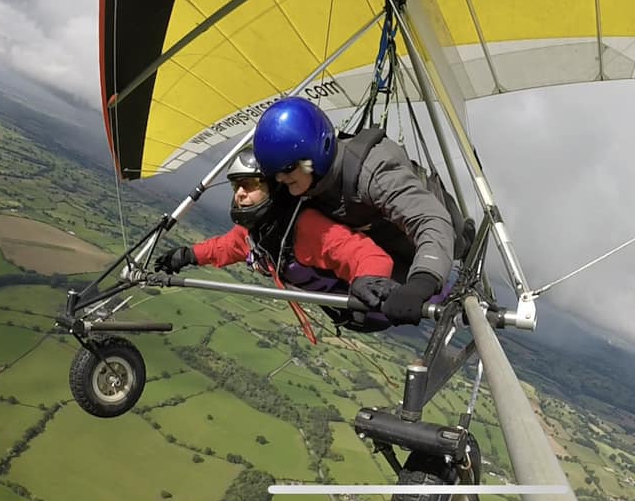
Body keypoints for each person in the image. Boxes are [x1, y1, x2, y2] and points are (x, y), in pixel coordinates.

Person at [251, 97, 458, 326]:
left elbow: (430, 219)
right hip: (389, 243)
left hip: (434, 237)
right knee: (370, 306)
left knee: (434, 269)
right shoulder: (304, 182)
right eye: (274, 172)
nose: (280, 178)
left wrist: (423, 281)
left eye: (288, 169)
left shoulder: (373, 172)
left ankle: (457, 250)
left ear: (317, 154)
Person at [154, 147, 403, 333]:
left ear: (273, 187)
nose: (239, 193)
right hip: (350, 313)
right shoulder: (259, 231)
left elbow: (365, 254)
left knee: (437, 297)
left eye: (248, 184)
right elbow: (225, 247)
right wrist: (186, 255)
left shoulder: (306, 226)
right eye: (236, 187)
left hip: (380, 304)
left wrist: (371, 280)